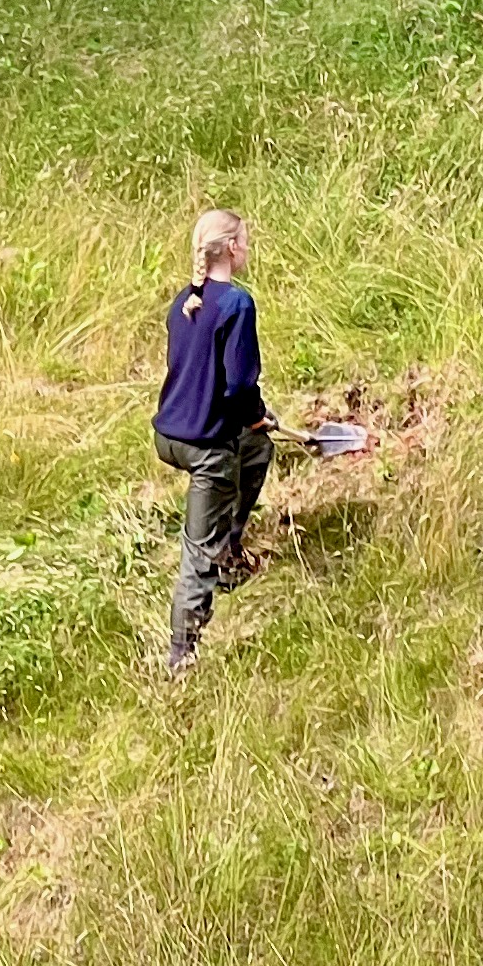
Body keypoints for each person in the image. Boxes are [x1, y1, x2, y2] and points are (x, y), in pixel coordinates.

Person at [152, 207, 272, 673]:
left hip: (170, 433)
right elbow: (239, 385)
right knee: (196, 555)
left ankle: (230, 550)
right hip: (205, 447)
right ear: (234, 249)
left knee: (259, 447)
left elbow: (199, 376)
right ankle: (181, 660)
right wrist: (255, 413)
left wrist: (256, 423)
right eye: (246, 240)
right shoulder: (236, 304)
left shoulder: (186, 300)